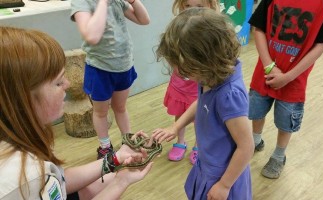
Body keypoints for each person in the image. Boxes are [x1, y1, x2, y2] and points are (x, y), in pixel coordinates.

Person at [0, 26, 152, 200]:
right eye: (58, 82)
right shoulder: (24, 179)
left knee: (109, 178)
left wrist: (116, 158)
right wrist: (121, 182)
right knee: (113, 182)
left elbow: (60, 178)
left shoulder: (18, 143)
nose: (68, 84)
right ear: (23, 99)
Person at [153, 8, 254, 200]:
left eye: (185, 69)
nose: (181, 73)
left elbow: (246, 146)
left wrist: (224, 185)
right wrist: (176, 126)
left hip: (223, 175)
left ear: (206, 61)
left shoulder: (229, 96)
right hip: (207, 163)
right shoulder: (210, 76)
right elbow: (201, 103)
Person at [248, 0, 323, 179]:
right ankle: (255, 140)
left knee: (286, 120)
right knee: (256, 110)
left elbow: (320, 45)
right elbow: (258, 28)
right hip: (264, 73)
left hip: (294, 79)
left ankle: (279, 156)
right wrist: (269, 67)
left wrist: (288, 77)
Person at [70, 0, 150, 159]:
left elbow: (144, 20)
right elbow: (92, 36)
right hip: (100, 68)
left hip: (123, 65)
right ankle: (105, 147)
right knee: (101, 112)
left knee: (120, 107)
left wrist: (133, 1)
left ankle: (128, 141)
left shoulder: (118, 2)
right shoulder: (81, 3)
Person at [164, 0, 219, 164]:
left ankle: (198, 146)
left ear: (210, 6)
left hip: (201, 83)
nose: (193, 10)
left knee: (200, 116)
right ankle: (180, 142)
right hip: (180, 81)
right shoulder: (178, 25)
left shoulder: (213, 30)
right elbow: (169, 50)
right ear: (181, 5)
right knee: (179, 111)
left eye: (200, 6)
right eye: (188, 6)